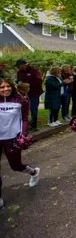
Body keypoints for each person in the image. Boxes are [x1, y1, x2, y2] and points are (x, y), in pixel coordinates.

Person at [0, 77, 41, 208]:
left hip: (12, 138)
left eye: (8, 86)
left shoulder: (20, 100)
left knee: (15, 165)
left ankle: (33, 172)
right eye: (2, 87)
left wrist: (22, 134)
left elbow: (24, 118)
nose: (6, 89)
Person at [16, 59, 43, 131]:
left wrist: (28, 84)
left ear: (25, 65)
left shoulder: (34, 71)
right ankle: (25, 124)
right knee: (24, 109)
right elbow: (18, 80)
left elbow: (39, 81)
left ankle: (34, 125)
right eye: (18, 67)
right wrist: (19, 82)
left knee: (33, 109)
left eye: (20, 66)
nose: (19, 68)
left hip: (34, 93)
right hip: (23, 93)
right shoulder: (19, 72)